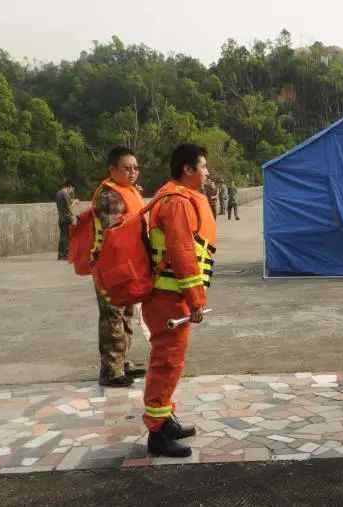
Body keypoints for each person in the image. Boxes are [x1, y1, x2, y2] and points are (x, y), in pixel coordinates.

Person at [142, 143, 217, 457]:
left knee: (171, 363)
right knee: (166, 363)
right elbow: (183, 254)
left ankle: (166, 418)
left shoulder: (173, 195)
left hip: (171, 296)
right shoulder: (177, 203)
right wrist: (196, 299)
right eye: (203, 166)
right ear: (187, 169)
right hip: (168, 297)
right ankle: (157, 435)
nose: (207, 172)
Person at [91, 146, 146, 387]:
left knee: (126, 315)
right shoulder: (109, 196)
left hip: (127, 264)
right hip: (110, 266)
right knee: (113, 316)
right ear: (112, 170)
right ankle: (110, 372)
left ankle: (121, 362)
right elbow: (116, 233)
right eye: (127, 168)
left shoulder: (128, 191)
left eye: (135, 168)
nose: (133, 172)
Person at [55, 179, 76, 260]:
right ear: (69, 186)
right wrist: (74, 202)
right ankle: (66, 254)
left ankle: (60, 254)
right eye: (72, 189)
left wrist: (71, 201)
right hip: (67, 218)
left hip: (60, 217)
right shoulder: (65, 194)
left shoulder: (58, 193)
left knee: (62, 236)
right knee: (67, 236)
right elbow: (69, 207)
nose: (71, 191)